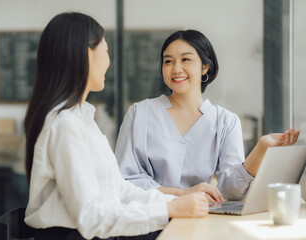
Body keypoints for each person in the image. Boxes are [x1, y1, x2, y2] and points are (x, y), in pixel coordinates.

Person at [24, 13, 210, 240]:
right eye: (106, 51)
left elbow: (117, 190)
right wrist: (169, 209)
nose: (108, 62)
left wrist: (176, 202)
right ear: (86, 54)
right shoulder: (65, 125)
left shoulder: (82, 119)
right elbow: (92, 217)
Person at [115, 30, 299, 203]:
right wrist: (182, 194)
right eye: (168, 61)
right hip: (150, 217)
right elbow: (125, 181)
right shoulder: (140, 113)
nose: (176, 68)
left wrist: (261, 148)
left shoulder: (226, 121)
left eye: (186, 59)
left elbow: (230, 190)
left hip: (200, 217)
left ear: (205, 67)